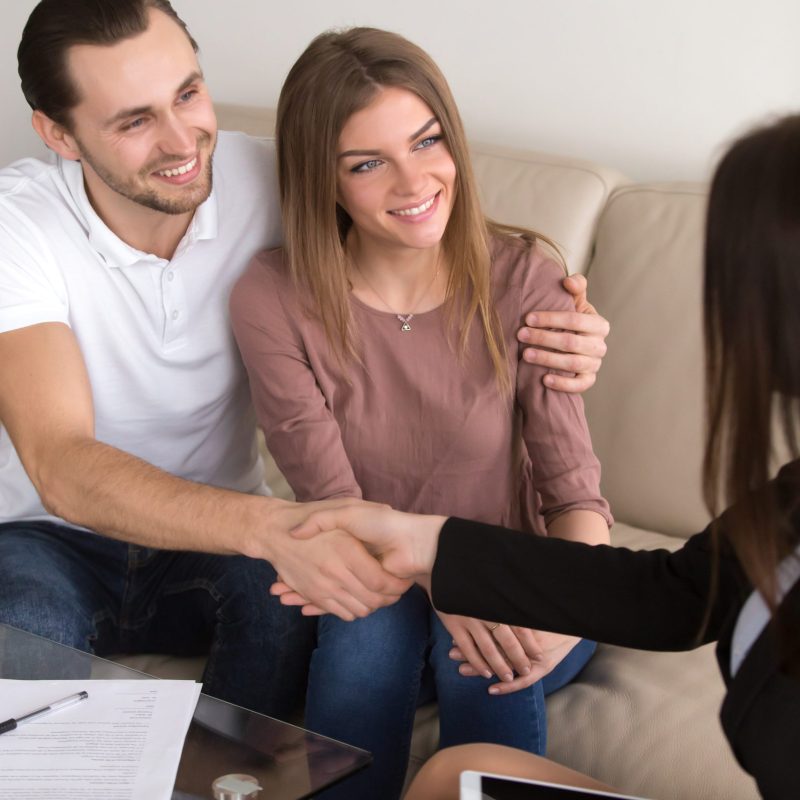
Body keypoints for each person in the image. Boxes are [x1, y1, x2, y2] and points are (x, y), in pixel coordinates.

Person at [0, 1, 609, 717]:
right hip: (48, 538)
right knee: (22, 645)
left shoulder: (273, 176)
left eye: (188, 94)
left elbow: (426, 225)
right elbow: (64, 466)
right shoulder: (21, 225)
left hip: (217, 541)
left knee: (293, 623)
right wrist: (276, 532)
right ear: (58, 134)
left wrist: (570, 327)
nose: (182, 141)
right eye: (134, 121)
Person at [277, 114, 800, 800]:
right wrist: (430, 543)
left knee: (471, 684)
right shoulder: (790, 497)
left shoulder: (520, 277)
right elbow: (676, 595)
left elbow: (577, 495)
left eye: (728, 280)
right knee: (449, 777)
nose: (717, 312)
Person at [230, 27, 612, 799]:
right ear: (324, 182)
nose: (414, 182)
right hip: (375, 576)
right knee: (363, 639)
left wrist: (556, 615)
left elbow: (576, 500)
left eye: (426, 141)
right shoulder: (274, 298)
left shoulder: (525, 282)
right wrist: (447, 580)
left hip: (524, 585)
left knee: (482, 650)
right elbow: (338, 510)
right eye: (368, 163)